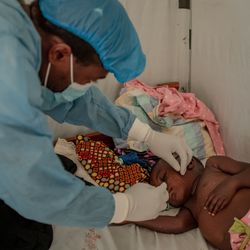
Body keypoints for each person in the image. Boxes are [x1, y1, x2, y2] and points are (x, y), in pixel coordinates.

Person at [0, 0, 192, 248]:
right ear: (60, 53)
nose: (85, 89)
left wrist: (146, 133)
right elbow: (33, 187)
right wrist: (124, 207)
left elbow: (75, 102)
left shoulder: (18, 28)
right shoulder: (9, 79)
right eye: (89, 79)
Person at [134, 156, 250, 250]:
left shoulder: (213, 165)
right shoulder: (190, 210)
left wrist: (232, 184)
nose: (164, 189)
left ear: (188, 162)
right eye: (159, 191)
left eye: (164, 178)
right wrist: (132, 217)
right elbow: (177, 224)